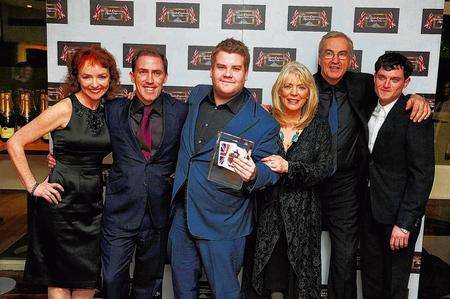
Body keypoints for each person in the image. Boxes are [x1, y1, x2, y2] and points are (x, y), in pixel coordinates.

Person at [314, 31, 431, 299]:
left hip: (351, 189)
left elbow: (422, 174)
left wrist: (418, 98)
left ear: (351, 59)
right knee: (368, 276)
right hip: (312, 183)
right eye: (329, 53)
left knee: (349, 262)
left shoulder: (363, 85)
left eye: (342, 54)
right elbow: (284, 99)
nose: (335, 60)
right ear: (320, 57)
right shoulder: (305, 86)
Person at [168, 38, 280, 298]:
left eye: (235, 68)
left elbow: (271, 170)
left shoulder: (263, 122)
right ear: (211, 69)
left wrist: (254, 173)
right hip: (183, 213)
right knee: (183, 291)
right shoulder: (196, 95)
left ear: (246, 73)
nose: (227, 73)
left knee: (225, 293)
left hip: (224, 221)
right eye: (221, 66)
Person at [7, 46, 121, 298]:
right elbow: (15, 141)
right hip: (59, 203)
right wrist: (33, 185)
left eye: (101, 76)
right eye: (86, 76)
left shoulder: (108, 110)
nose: (94, 83)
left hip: (91, 205)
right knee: (57, 277)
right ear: (76, 78)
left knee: (86, 279)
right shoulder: (64, 108)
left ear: (110, 78)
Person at [100, 47, 188, 298]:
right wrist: (60, 157)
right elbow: (85, 136)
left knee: (147, 286)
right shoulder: (113, 109)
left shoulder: (181, 112)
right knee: (111, 280)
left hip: (158, 214)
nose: (150, 79)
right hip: (120, 211)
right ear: (132, 75)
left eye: (156, 73)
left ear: (165, 77)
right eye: (143, 72)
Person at [248, 61, 333, 298]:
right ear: (279, 90)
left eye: (301, 87)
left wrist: (289, 167)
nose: (294, 93)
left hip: (303, 218)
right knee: (270, 280)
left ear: (309, 93)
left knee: (299, 283)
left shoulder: (319, 127)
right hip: (267, 215)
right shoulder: (264, 121)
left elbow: (324, 169)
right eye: (288, 86)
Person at [360, 52, 434, 299]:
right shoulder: (365, 104)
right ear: (374, 78)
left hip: (398, 218)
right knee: (370, 281)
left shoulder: (416, 116)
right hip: (368, 212)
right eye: (382, 77)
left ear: (406, 83)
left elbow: (422, 176)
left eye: (394, 79)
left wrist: (404, 224)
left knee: (394, 286)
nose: (386, 84)